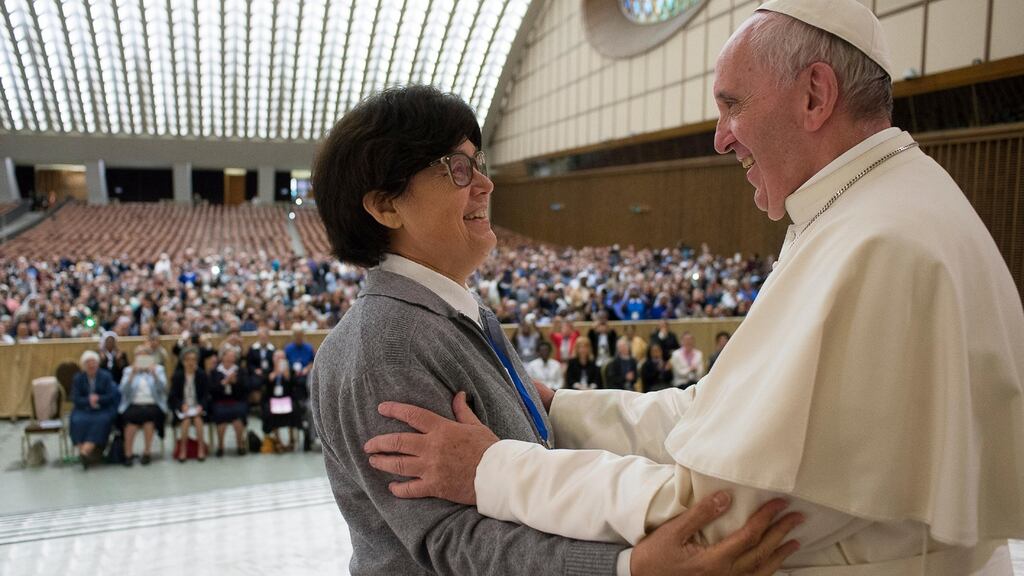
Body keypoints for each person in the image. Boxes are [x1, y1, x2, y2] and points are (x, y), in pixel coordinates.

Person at [363, 2, 1024, 573]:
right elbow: (717, 415)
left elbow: (716, 518)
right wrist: (558, 408)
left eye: (731, 104)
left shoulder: (877, 244)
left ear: (814, 96)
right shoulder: (872, 209)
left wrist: (493, 471)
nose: (719, 138)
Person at [309, 85, 799, 576]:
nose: (485, 185)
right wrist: (625, 568)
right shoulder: (383, 344)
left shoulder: (455, 313)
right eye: (456, 169)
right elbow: (451, 542)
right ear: (386, 206)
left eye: (479, 163)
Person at [118, 347, 169, 466]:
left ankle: (147, 452)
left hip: (152, 403)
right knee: (130, 419)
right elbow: (123, 391)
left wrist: (154, 374)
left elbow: (163, 389)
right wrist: (132, 375)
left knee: (149, 418)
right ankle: (128, 453)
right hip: (134, 403)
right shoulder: (128, 370)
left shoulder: (159, 369)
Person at [69, 350, 119, 469]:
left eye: (93, 362)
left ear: (97, 364)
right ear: (84, 365)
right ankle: (85, 453)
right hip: (83, 408)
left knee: (101, 421)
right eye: (88, 363)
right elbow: (75, 398)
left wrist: (98, 399)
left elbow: (111, 396)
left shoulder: (106, 376)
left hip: (102, 408)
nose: (91, 365)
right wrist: (88, 400)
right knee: (77, 421)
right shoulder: (78, 378)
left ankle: (85, 452)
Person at [168, 347, 210, 462]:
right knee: (186, 421)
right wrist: (181, 405)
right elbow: (172, 397)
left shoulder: (201, 375)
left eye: (193, 360)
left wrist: (201, 406)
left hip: (197, 407)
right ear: (183, 361)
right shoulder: (178, 376)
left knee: (197, 420)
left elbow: (206, 395)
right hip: (184, 408)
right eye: (188, 360)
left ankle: (201, 449)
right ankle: (183, 450)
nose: (191, 362)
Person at [209, 346, 248, 457]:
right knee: (221, 416)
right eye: (228, 356)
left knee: (238, 415)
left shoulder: (240, 371)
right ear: (223, 357)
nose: (231, 358)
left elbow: (245, 389)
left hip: (236, 400)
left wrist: (235, 383)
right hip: (220, 401)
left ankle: (240, 445)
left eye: (233, 356)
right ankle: (220, 446)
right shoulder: (215, 371)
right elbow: (212, 390)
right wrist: (224, 382)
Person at [261, 350, 301, 452]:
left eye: (281, 358)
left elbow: (296, 385)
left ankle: (292, 439)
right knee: (269, 412)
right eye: (277, 358)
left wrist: (287, 377)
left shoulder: (290, 370)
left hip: (287, 398)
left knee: (294, 409)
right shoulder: (268, 370)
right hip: (273, 399)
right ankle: (277, 440)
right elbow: (264, 384)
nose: (279, 360)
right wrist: (274, 375)